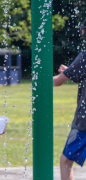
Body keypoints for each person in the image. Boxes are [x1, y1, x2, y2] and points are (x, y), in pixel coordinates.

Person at [53, 20, 86, 180]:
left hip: (84, 122)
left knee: (66, 160)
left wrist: (39, 80)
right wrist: (71, 71)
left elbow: (57, 82)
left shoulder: (85, 55)